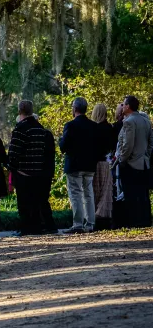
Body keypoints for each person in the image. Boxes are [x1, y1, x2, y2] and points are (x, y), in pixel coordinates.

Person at [8, 100, 55, 236]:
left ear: (19, 111)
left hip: (23, 172)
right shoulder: (40, 129)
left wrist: (12, 167)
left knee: (23, 203)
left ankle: (26, 228)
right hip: (38, 172)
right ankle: (36, 227)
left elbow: (14, 152)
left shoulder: (20, 128)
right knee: (35, 203)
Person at [59, 97, 102, 234]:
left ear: (75, 109)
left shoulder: (70, 125)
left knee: (76, 193)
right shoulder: (94, 126)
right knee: (89, 193)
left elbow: (63, 146)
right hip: (89, 165)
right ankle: (90, 223)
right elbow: (98, 147)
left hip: (74, 165)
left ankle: (78, 224)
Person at [114, 95, 153, 228]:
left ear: (128, 106)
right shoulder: (146, 121)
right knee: (143, 194)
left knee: (131, 193)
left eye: (124, 104)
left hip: (131, 163)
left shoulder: (129, 122)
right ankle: (145, 219)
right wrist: (146, 156)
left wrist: (123, 159)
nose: (122, 106)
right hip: (144, 162)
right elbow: (150, 143)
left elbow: (128, 144)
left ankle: (134, 221)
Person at [91, 104, 116, 230]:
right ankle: (105, 216)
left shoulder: (95, 128)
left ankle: (95, 216)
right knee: (106, 191)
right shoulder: (110, 127)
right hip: (106, 163)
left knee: (95, 191)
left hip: (96, 163)